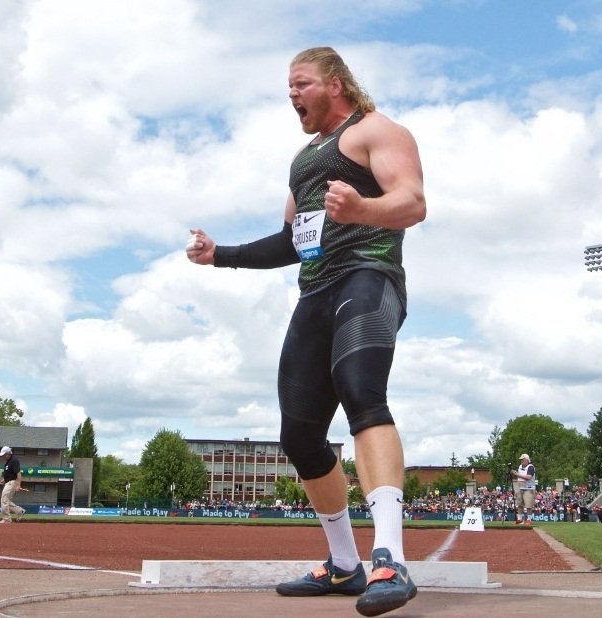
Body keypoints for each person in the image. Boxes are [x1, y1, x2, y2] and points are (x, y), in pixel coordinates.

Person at [186, 46, 425, 617]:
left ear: (335, 83)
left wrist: (362, 210)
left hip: (369, 277)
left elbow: (412, 202)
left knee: (363, 394)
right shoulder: (303, 159)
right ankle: (345, 565)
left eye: (301, 83)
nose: (291, 94)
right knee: (298, 436)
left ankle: (390, 559)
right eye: (287, 86)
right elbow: (293, 240)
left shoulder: (378, 130)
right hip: (316, 295)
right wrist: (221, 255)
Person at [0, 446, 25, 524]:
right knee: (6, 500)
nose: (2, 457)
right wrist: (4, 480)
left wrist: (18, 485)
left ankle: (7, 519)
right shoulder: (8, 462)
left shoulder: (14, 460)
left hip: (12, 482)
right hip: (8, 482)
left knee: (4, 500)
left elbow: (18, 473)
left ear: (8, 454)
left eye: (3, 455)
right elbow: (9, 474)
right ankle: (19, 511)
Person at [512, 453, 536, 527]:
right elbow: (519, 478)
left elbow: (528, 477)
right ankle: (520, 519)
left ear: (527, 460)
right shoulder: (520, 467)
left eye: (523, 459)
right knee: (519, 504)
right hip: (520, 488)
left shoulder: (531, 467)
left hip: (529, 488)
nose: (521, 461)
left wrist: (517, 474)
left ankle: (529, 519)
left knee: (528, 505)